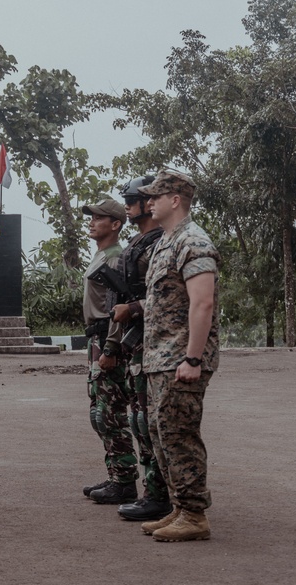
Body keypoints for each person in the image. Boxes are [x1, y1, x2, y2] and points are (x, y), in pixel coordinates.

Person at [135, 170, 219, 542]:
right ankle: (179, 508)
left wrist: (193, 359)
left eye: (156, 196)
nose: (149, 202)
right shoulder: (165, 242)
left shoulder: (194, 241)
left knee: (178, 434)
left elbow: (203, 302)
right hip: (160, 357)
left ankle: (194, 514)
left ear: (175, 200)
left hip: (181, 358)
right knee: (159, 432)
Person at [103, 176, 172, 522]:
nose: (128, 204)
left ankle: (159, 496)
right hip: (134, 341)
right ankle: (153, 493)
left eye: (133, 199)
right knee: (136, 418)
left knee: (148, 420)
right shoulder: (136, 242)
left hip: (154, 339)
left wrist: (133, 309)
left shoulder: (161, 242)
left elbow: (167, 296)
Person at [80, 198, 139, 504]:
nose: (92, 222)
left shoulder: (115, 258)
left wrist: (111, 348)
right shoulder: (101, 255)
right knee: (99, 413)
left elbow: (118, 306)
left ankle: (124, 481)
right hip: (96, 340)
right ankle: (116, 474)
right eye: (91, 217)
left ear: (116, 225)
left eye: (99, 218)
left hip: (106, 339)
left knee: (110, 413)